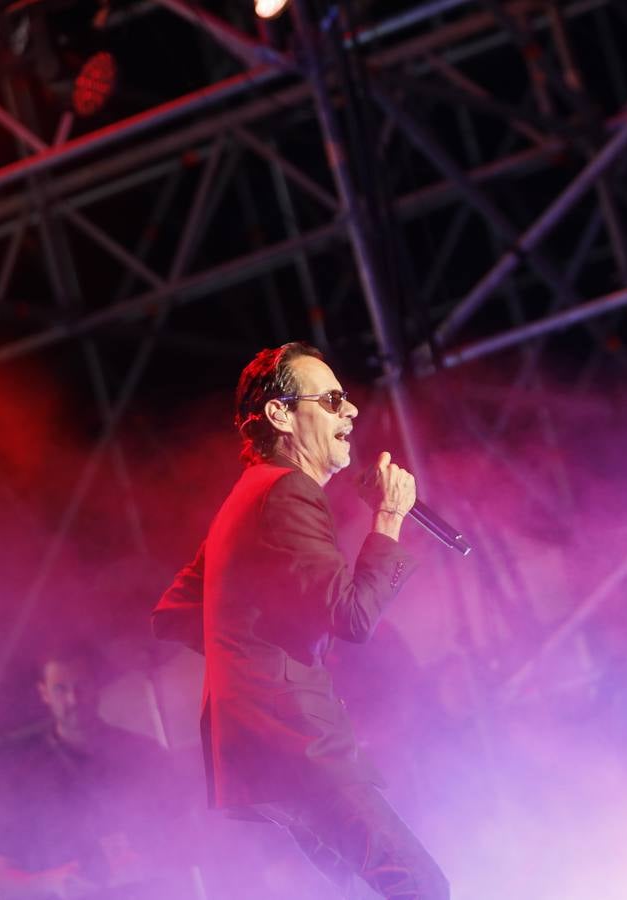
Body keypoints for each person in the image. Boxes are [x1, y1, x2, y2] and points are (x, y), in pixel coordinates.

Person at [152, 342, 449, 899]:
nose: (352, 412)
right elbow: (353, 616)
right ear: (280, 414)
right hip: (295, 742)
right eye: (333, 400)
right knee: (420, 887)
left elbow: (176, 608)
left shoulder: (251, 495)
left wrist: (257, 648)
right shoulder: (285, 491)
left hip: (264, 751)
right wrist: (389, 517)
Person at [0, 645, 179, 900]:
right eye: (60, 689)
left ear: (97, 685)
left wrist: (153, 859)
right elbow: (4, 885)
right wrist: (53, 882)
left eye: (81, 686)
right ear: (43, 694)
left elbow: (198, 840)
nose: (73, 699)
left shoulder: (145, 756)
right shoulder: (22, 778)